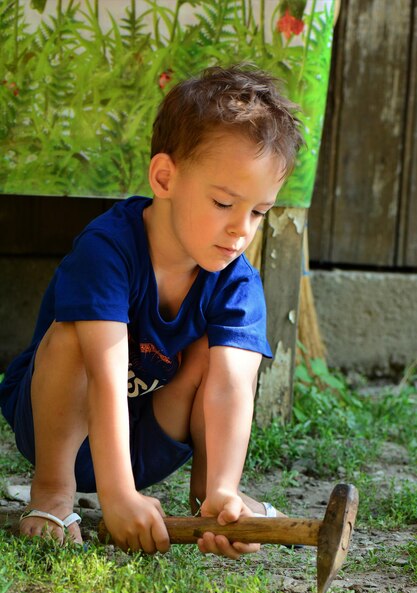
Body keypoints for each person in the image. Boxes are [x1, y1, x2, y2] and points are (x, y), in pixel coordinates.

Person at [0, 65, 303, 559]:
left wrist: (224, 487)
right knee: (72, 337)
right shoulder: (108, 248)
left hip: (150, 441)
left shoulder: (237, 282)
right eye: (224, 202)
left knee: (219, 352)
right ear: (165, 177)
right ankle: (52, 495)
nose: (240, 230)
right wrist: (117, 496)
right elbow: (104, 372)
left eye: (257, 212)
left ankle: (212, 498)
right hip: (59, 429)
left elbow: (229, 385)